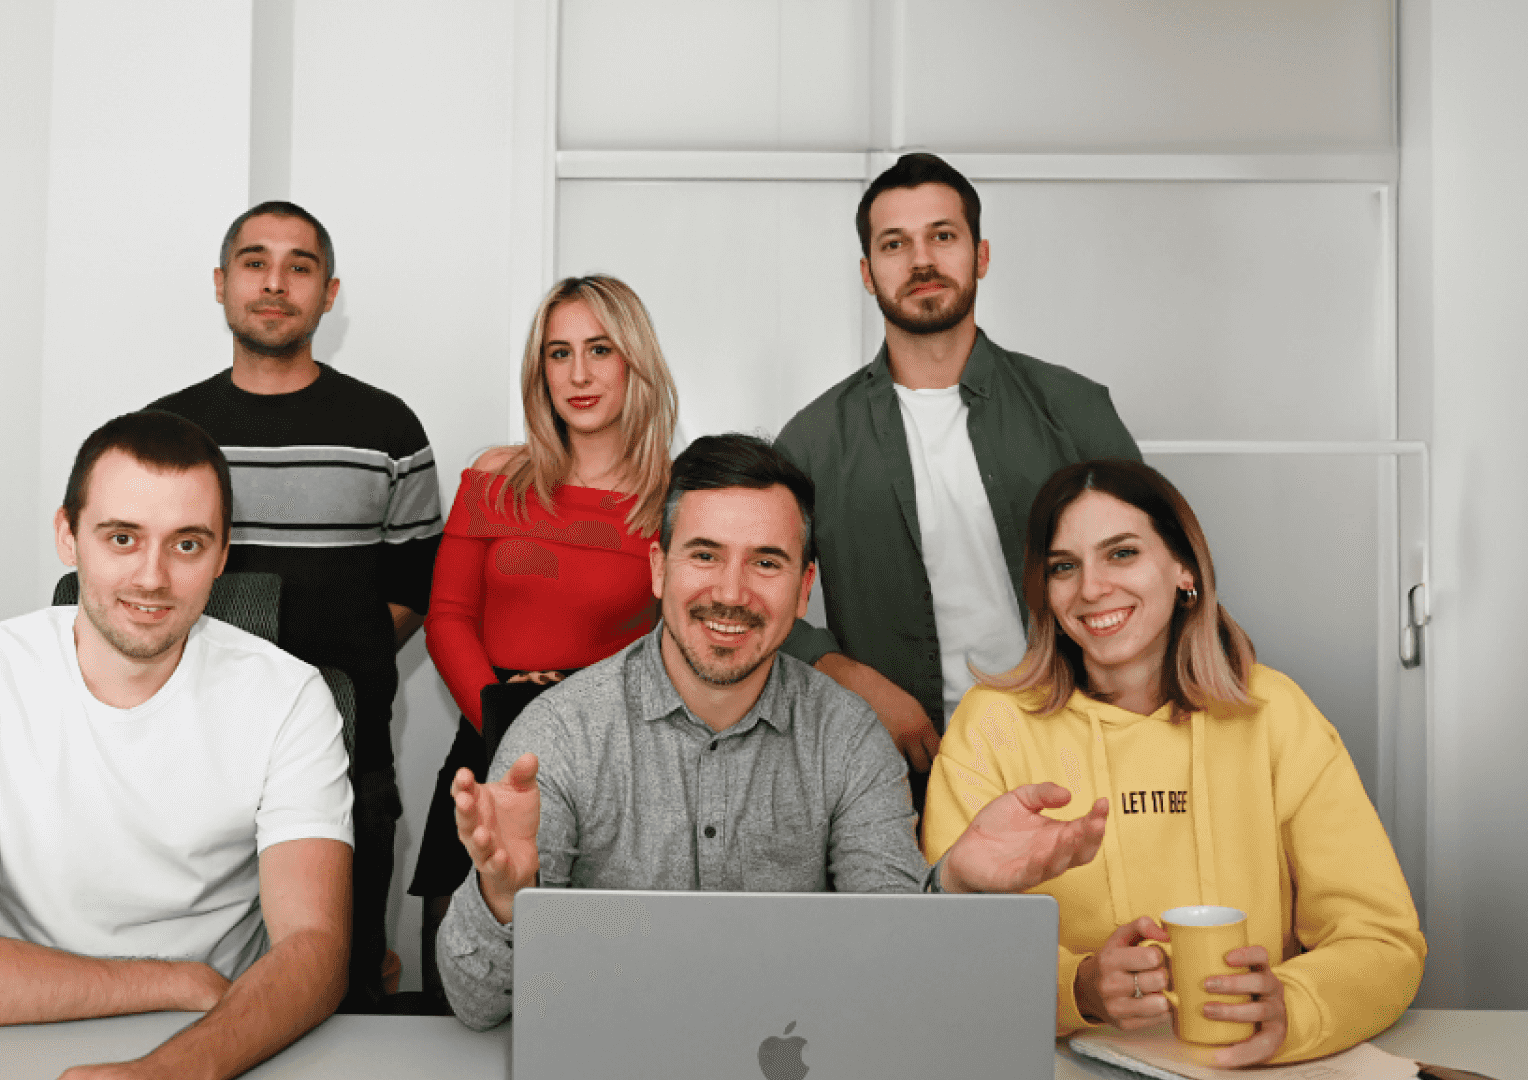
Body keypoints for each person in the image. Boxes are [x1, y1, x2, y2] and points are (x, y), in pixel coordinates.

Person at [437, 434, 1114, 1031]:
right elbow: (475, 1005)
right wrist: (501, 899)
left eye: (766, 562)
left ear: (803, 586)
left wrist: (958, 885)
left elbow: (899, 980)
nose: (731, 592)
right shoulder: (556, 734)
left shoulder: (849, 740)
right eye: (705, 554)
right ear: (657, 568)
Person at [0, 411, 354, 1080]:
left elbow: (316, 949)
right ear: (68, 535)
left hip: (216, 1041)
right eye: (122, 537)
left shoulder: (289, 697)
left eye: (186, 545)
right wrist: (171, 980)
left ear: (223, 554)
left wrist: (173, 1069)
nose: (152, 577)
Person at [921, 459, 1425, 1066]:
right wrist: (1078, 988)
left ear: (1184, 568)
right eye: (1064, 567)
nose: (1091, 589)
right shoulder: (990, 726)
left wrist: (1291, 1006)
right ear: (1044, 592)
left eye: (1122, 554)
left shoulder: (1275, 715)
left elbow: (1383, 940)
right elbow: (944, 958)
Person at [775, 152, 1141, 802]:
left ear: (982, 254)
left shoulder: (1074, 410)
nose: (921, 261)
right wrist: (848, 676)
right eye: (895, 243)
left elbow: (1153, 571)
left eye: (942, 236)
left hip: (1082, 752)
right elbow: (759, 598)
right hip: (901, 776)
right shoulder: (813, 440)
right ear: (867, 272)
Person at [149, 200, 441, 1009]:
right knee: (195, 979)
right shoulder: (164, 431)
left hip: (349, 754)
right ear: (220, 283)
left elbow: (416, 587)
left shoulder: (387, 428)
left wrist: (328, 666)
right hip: (192, 754)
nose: (275, 282)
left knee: (339, 983)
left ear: (329, 292)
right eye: (254, 261)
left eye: (299, 266)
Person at [408, 275, 678, 1003]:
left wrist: (568, 722)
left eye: (599, 350)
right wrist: (500, 716)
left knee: (592, 981)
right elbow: (449, 618)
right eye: (559, 353)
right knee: (457, 970)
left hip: (612, 756)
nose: (579, 374)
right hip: (488, 729)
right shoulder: (494, 478)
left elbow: (674, 647)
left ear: (635, 363)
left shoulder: (676, 501)